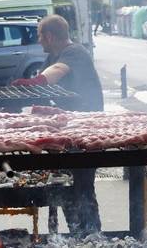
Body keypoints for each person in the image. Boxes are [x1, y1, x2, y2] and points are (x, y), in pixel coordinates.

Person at [12, 14, 104, 236]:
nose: (39, 40)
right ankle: (77, 234)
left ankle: (91, 234)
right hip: (69, 129)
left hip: (85, 132)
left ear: (50, 36)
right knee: (68, 185)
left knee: (82, 186)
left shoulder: (74, 52)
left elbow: (53, 74)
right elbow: (43, 89)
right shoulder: (53, 55)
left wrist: (31, 83)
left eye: (40, 36)